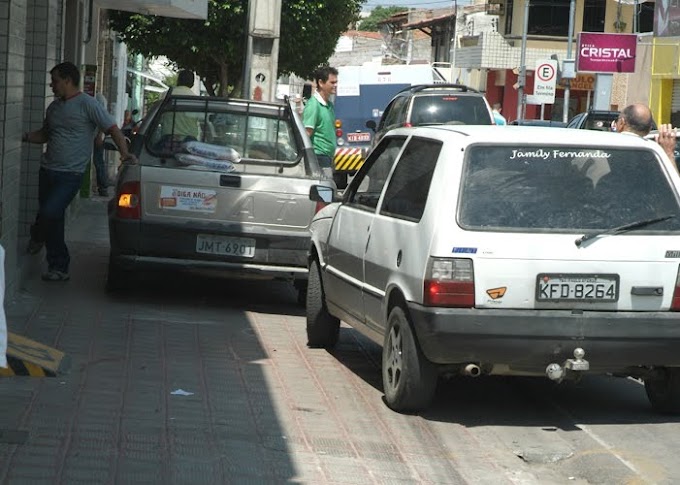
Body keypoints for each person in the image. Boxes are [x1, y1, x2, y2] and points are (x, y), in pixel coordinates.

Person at [22, 61, 135, 282]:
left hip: (70, 175)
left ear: (67, 80)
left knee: (48, 213)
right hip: (47, 171)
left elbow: (113, 129)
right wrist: (23, 136)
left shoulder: (88, 104)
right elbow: (45, 134)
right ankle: (59, 266)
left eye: (54, 81)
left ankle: (37, 236)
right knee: (53, 218)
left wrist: (125, 154)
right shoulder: (53, 108)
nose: (51, 85)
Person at [613, 103, 677, 171]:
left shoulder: (607, 144)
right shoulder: (653, 153)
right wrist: (668, 154)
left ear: (621, 123)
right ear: (649, 129)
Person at [303, 66, 338, 180]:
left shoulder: (329, 105)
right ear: (321, 83)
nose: (335, 85)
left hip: (328, 157)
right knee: (324, 194)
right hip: (318, 157)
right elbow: (306, 134)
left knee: (327, 192)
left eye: (336, 82)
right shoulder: (313, 105)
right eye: (332, 82)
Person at [158, 69, 200, 150]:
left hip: (168, 139)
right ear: (192, 83)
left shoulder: (165, 95)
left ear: (178, 80)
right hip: (189, 141)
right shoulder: (196, 99)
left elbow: (159, 118)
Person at [92, 93, 111, 196]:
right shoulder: (99, 98)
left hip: (96, 137)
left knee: (98, 161)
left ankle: (103, 187)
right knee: (98, 161)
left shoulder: (98, 99)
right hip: (95, 136)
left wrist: (100, 135)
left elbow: (102, 121)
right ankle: (102, 186)